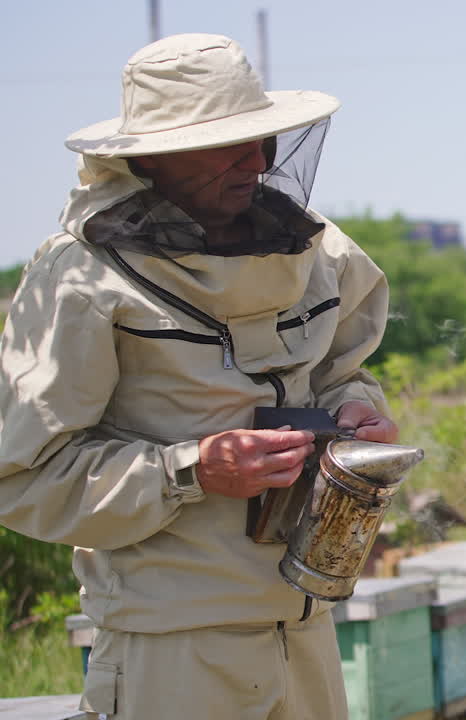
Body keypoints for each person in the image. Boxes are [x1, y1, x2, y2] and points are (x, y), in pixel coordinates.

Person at [0, 34, 394, 719]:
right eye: (228, 142)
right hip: (172, 642)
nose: (258, 160)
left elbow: (342, 370)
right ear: (152, 157)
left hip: (306, 624)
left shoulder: (323, 251)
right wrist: (192, 470)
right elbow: (22, 476)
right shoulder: (80, 278)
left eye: (264, 138)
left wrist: (355, 413)